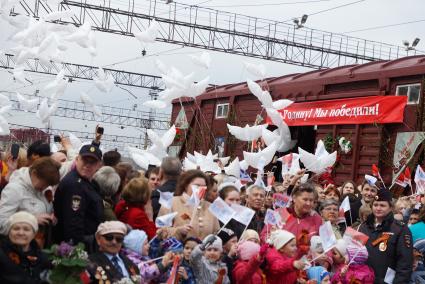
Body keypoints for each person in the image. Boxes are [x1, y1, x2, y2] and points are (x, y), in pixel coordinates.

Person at [53, 144, 103, 252]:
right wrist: (77, 252)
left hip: (88, 242)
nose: (87, 165)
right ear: (77, 160)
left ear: (99, 165)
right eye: (85, 160)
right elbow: (73, 224)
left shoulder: (90, 183)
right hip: (79, 246)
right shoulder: (74, 185)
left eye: (92, 162)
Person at [359, 187, 413, 283]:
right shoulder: (364, 227)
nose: (378, 208)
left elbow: (405, 264)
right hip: (363, 279)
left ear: (391, 208)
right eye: (375, 205)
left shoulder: (400, 230)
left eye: (382, 205)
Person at [0, 157, 61, 235]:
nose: (45, 188)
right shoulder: (14, 189)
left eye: (48, 185)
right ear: (34, 173)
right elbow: (2, 224)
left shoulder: (44, 185)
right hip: (18, 244)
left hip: (37, 243)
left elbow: (44, 209)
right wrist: (31, 220)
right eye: (43, 184)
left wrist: (51, 216)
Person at [261, 182, 323, 253]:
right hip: (279, 259)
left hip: (306, 261)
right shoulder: (278, 214)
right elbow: (264, 236)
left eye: (311, 200)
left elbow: (326, 243)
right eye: (305, 200)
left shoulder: (317, 218)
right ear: (294, 198)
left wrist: (326, 261)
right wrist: (272, 239)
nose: (308, 203)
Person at [158, 170, 219, 241]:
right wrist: (178, 231)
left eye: (204, 186)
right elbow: (160, 232)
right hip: (179, 250)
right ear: (186, 185)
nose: (201, 189)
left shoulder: (210, 206)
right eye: (197, 186)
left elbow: (216, 233)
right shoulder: (171, 202)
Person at [0, 211, 50, 284]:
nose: (21, 233)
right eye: (16, 229)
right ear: (9, 232)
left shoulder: (42, 257)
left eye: (26, 229)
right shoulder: (2, 255)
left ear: (34, 234)